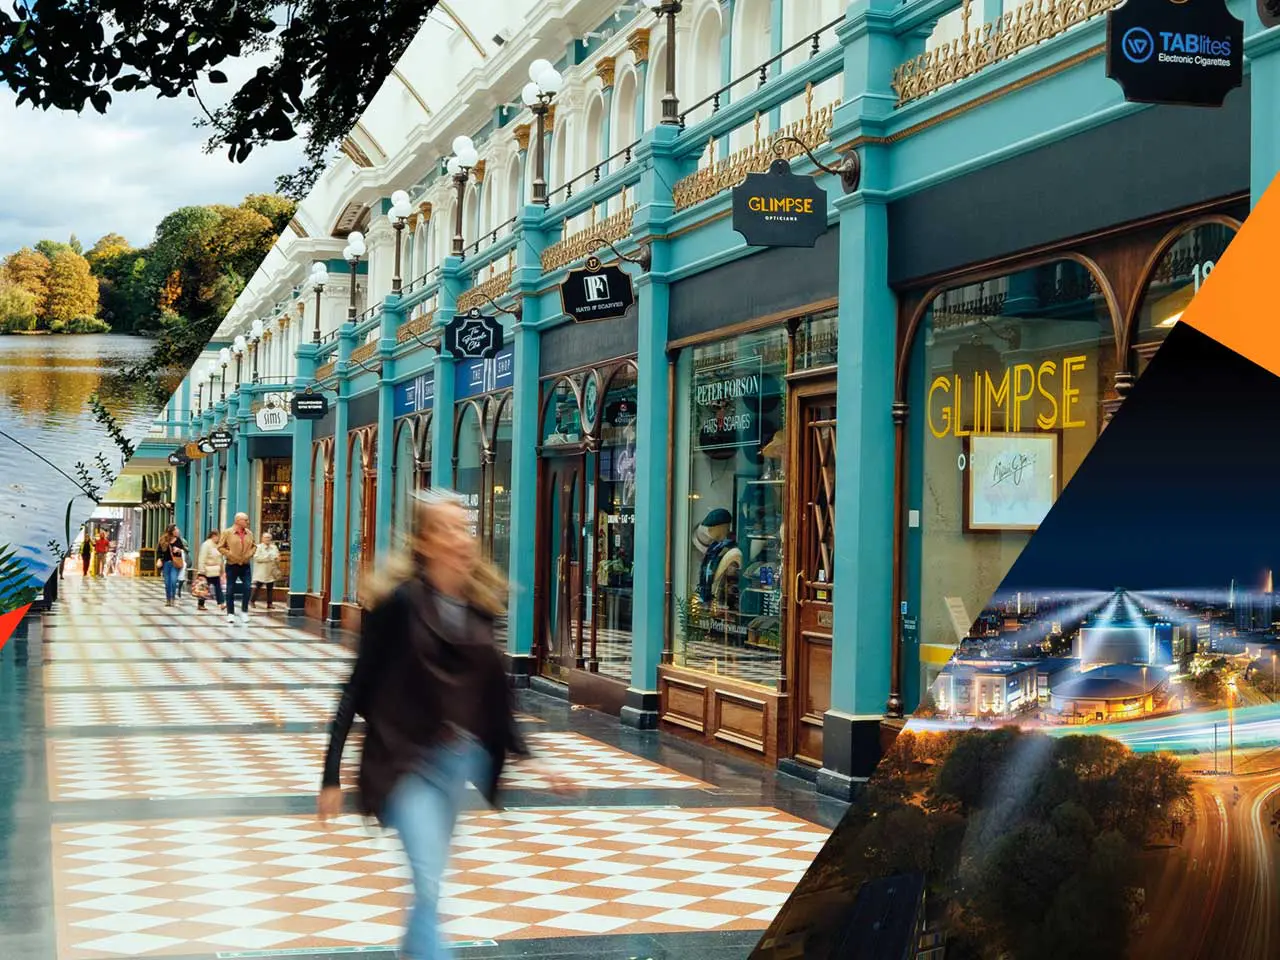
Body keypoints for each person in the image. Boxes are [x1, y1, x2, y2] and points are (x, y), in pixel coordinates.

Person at [317, 489, 568, 960]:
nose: (460, 538)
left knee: (427, 888)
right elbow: (357, 685)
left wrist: (535, 759)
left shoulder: (479, 607)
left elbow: (496, 693)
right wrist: (331, 774)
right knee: (429, 878)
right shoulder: (398, 604)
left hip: (456, 763)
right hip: (404, 761)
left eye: (464, 528)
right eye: (446, 528)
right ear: (425, 542)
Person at [218, 512, 256, 625]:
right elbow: (220, 547)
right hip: (232, 564)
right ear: (238, 521)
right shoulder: (228, 532)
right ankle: (230, 613)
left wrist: (249, 554)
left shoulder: (249, 533)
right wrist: (230, 554)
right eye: (246, 520)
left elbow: (254, 546)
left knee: (247, 587)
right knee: (230, 589)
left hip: (245, 564)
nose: (248, 522)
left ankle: (244, 611)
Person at [156, 525, 187, 606]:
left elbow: (184, 550)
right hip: (166, 563)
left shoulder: (178, 540)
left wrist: (179, 550)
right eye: (176, 529)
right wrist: (159, 559)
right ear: (172, 531)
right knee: (167, 582)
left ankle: (172, 598)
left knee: (173, 581)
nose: (178, 530)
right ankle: (168, 599)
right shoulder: (163, 540)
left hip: (175, 564)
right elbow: (159, 551)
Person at [251, 533, 281, 610]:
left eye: (269, 538)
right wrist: (267, 557)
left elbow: (277, 556)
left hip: (271, 570)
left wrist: (277, 559)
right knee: (258, 586)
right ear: (262, 538)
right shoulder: (258, 547)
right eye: (266, 537)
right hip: (262, 571)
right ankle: (252, 601)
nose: (268, 539)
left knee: (270, 588)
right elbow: (256, 558)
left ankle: (269, 603)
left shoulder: (274, 547)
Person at [197, 530, 225, 612]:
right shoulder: (206, 545)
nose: (218, 538)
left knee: (218, 587)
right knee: (204, 587)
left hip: (215, 570)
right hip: (207, 570)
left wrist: (222, 569)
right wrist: (201, 570)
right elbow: (202, 557)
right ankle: (200, 604)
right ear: (213, 536)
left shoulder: (217, 545)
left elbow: (220, 558)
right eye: (217, 536)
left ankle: (221, 603)